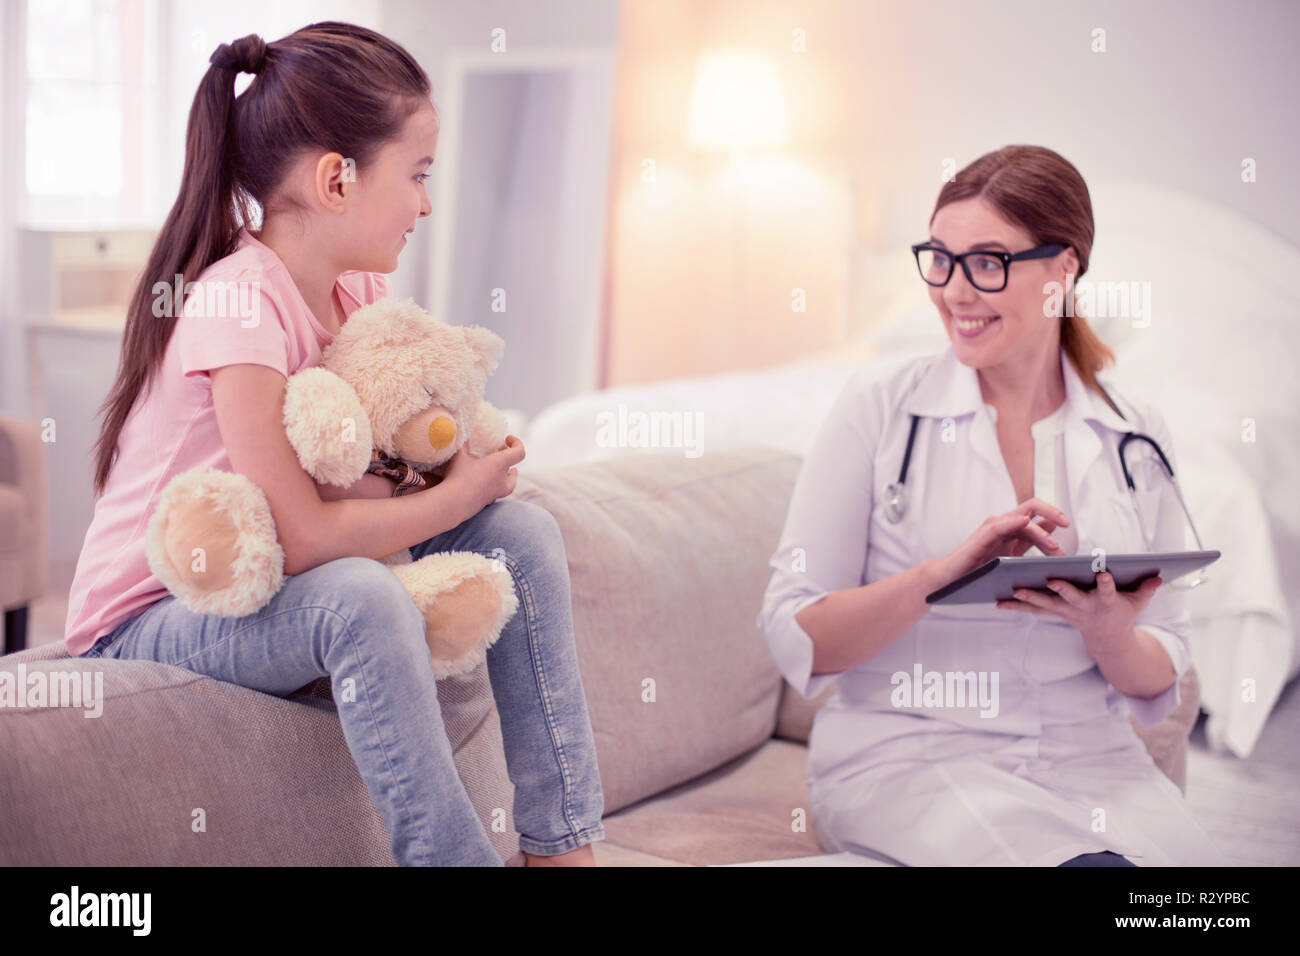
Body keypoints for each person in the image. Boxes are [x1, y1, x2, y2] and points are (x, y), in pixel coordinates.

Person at [65, 23, 605, 867]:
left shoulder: (358, 291)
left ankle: (561, 847)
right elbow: (308, 535)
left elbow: (356, 481)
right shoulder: (238, 304)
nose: (428, 203)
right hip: (156, 615)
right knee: (360, 595)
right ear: (335, 179)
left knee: (523, 535)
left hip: (271, 584)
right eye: (418, 174)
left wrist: (453, 472)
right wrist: (451, 497)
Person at [757, 145, 1228, 867]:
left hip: (1091, 761)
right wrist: (938, 578)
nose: (954, 291)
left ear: (1063, 269)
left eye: (987, 262)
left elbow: (1161, 669)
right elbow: (798, 633)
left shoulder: (1134, 431)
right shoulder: (879, 408)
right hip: (910, 756)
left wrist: (1107, 631)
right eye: (939, 259)